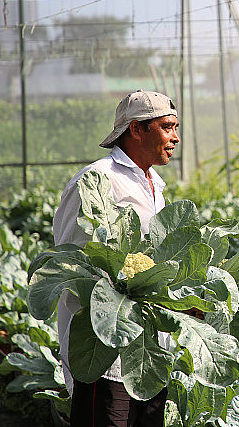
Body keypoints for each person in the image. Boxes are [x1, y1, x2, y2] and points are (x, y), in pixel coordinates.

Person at [52, 89, 180, 427]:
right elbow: (73, 267)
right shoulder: (97, 180)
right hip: (106, 355)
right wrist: (111, 319)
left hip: (150, 354)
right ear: (136, 129)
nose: (175, 137)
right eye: (167, 127)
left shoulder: (154, 184)